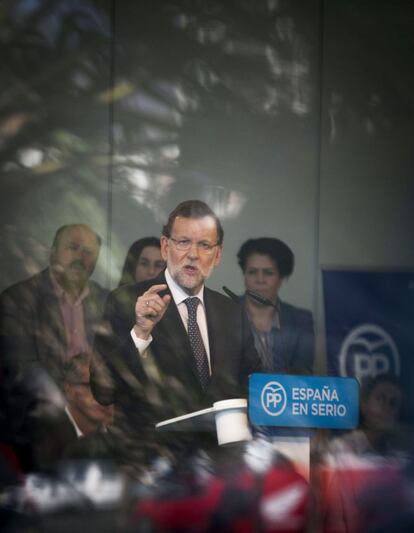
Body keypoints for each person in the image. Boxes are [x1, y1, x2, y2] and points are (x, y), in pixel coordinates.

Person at [91, 200, 261, 474]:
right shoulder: (126, 302)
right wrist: (141, 331)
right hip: (151, 468)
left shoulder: (231, 312)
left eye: (204, 245)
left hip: (220, 473)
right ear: (164, 246)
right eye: (183, 242)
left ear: (217, 255)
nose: (192, 254)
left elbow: (254, 384)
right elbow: (103, 391)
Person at [0, 224, 108, 388]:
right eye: (73, 247)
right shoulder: (18, 299)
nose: (80, 257)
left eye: (88, 252)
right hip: (44, 404)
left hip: (99, 403)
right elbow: (18, 368)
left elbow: (120, 359)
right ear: (53, 253)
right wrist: (71, 377)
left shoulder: (106, 300)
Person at [237, 237, 314, 374]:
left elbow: (302, 377)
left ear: (281, 278)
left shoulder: (301, 321)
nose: (260, 280)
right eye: (252, 272)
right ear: (244, 275)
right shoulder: (221, 313)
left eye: (268, 273)